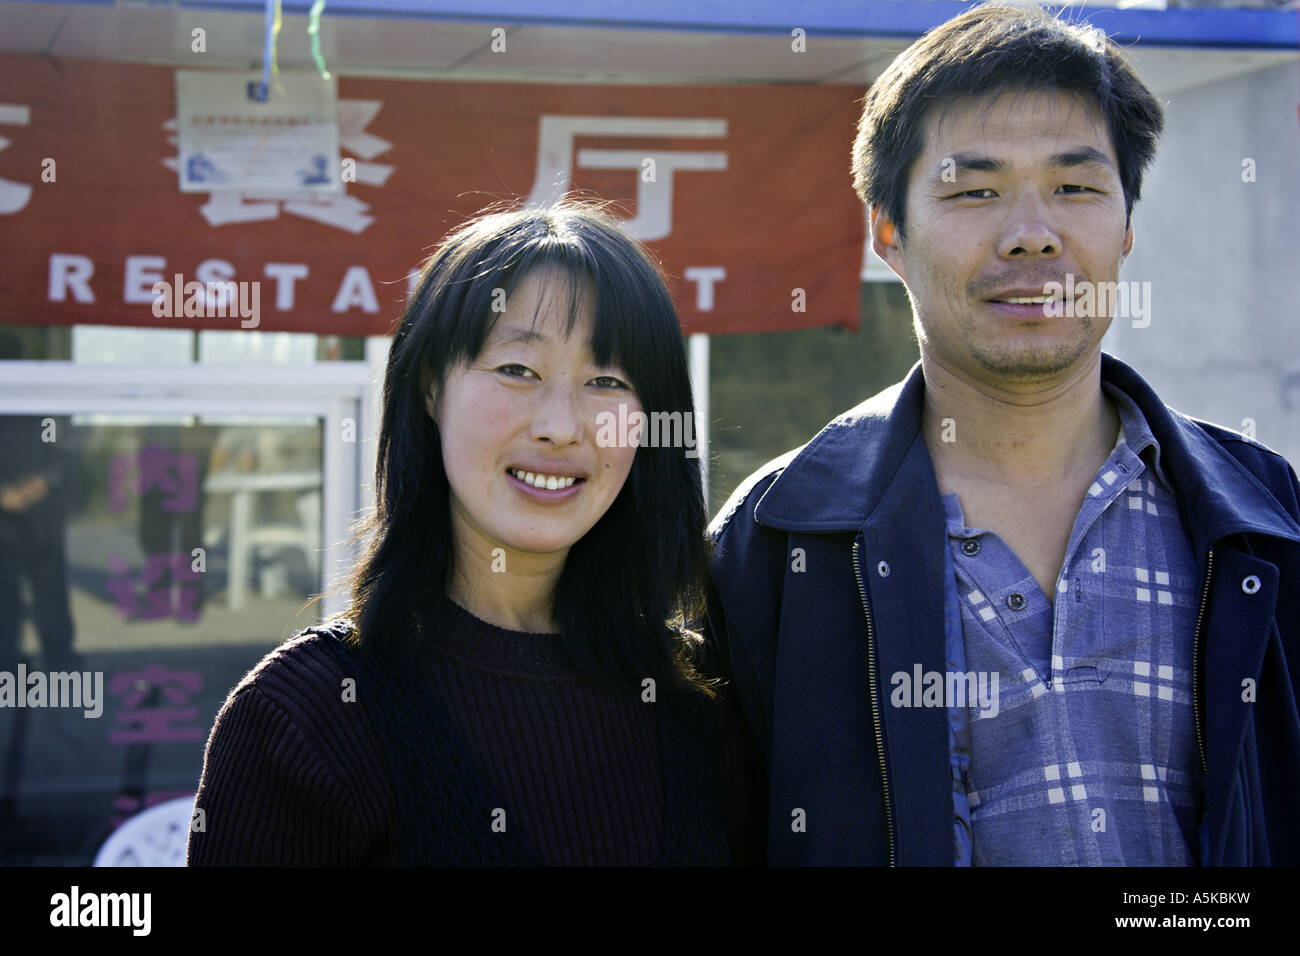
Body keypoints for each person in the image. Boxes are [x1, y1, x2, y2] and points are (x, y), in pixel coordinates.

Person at [706, 1, 1300, 866]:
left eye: (1075, 187)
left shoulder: (1266, 519)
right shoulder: (776, 542)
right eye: (974, 190)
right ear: (889, 235)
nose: (1031, 237)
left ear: (1127, 227)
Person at [188, 201, 757, 865]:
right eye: (518, 370)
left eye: (607, 380)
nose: (561, 426)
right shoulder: (306, 719)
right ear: (431, 387)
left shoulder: (702, 702)